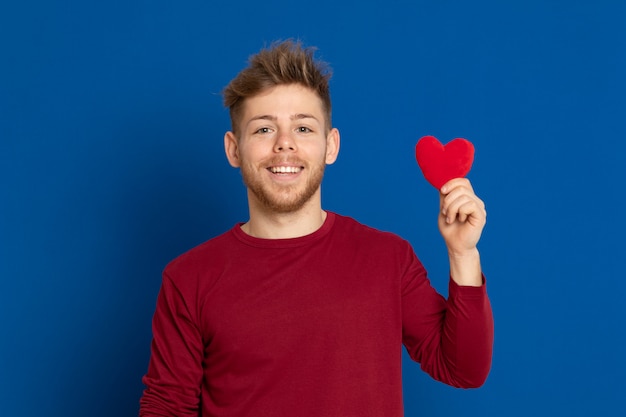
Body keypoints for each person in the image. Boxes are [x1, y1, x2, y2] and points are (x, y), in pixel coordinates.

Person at [139, 40, 493, 417]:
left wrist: (462, 254)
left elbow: (463, 369)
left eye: (304, 128)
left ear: (331, 145)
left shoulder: (388, 258)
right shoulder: (188, 278)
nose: (285, 145)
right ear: (233, 149)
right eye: (263, 130)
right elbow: (166, 408)